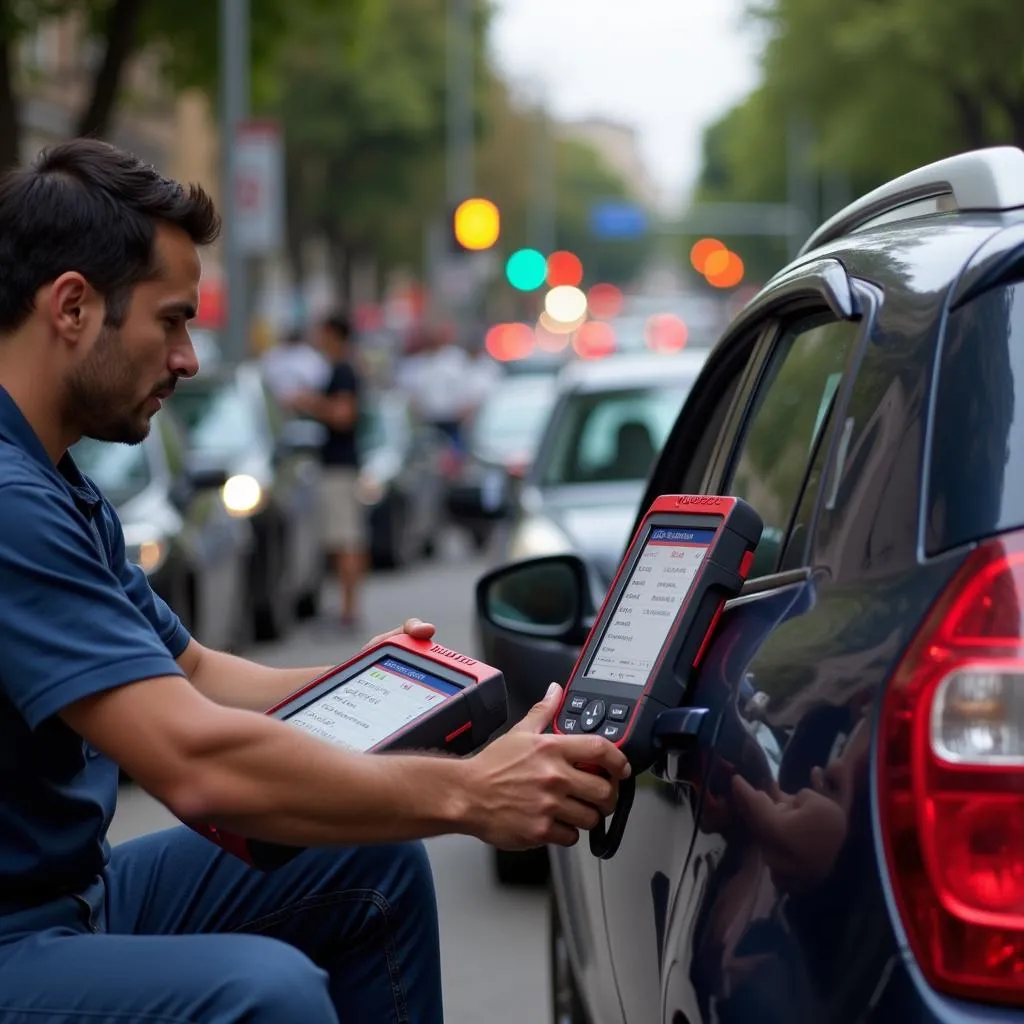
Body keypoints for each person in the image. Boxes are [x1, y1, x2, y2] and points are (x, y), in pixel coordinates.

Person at [0, 138, 630, 1024]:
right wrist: (466, 795)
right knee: (266, 997)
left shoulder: (56, 480)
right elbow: (195, 761)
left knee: (371, 862)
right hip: (16, 939)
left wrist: (368, 680)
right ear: (72, 306)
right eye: (172, 320)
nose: (187, 358)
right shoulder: (11, 503)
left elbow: (190, 676)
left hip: (70, 902)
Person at [287, 313, 366, 630]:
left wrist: (309, 403)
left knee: (345, 539)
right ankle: (345, 608)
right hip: (337, 465)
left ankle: (349, 610)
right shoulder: (340, 368)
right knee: (340, 539)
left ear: (333, 334)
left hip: (339, 467)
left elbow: (343, 415)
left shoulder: (343, 370)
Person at [259, 324, 330, 406]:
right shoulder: (273, 355)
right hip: (276, 407)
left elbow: (319, 385)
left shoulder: (310, 357)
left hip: (306, 409)